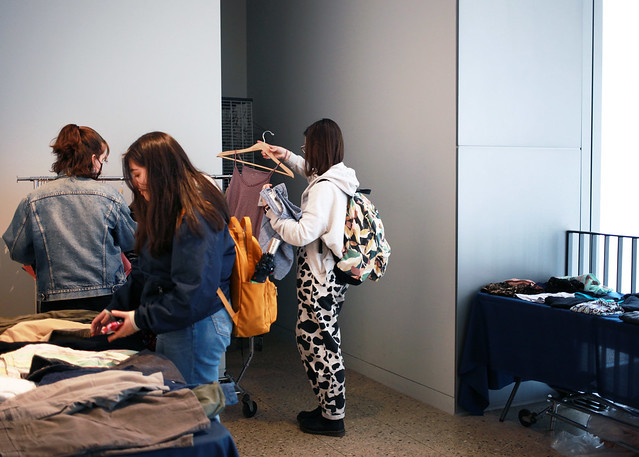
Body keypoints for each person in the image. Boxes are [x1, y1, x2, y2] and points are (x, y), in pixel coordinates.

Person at [90, 131, 236, 386]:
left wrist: (138, 319)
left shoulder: (195, 214)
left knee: (194, 404)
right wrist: (116, 307)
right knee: (181, 400)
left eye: (137, 174)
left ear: (159, 170)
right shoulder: (169, 210)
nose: (136, 183)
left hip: (195, 323)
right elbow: (148, 269)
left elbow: (193, 292)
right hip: (177, 320)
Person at [261, 118, 359, 437]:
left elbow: (302, 233)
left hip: (319, 278)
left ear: (318, 147)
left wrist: (273, 215)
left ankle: (333, 418)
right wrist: (286, 155)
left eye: (307, 146)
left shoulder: (325, 189)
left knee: (320, 345)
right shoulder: (337, 177)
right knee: (318, 340)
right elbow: (310, 172)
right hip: (331, 275)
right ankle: (328, 408)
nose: (304, 152)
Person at [3, 124, 136, 313]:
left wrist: (46, 255)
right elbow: (131, 241)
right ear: (93, 159)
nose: (101, 166)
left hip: (55, 302)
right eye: (102, 160)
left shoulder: (33, 200)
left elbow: (18, 252)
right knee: (102, 334)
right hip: (105, 300)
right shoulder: (109, 197)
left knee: (58, 334)